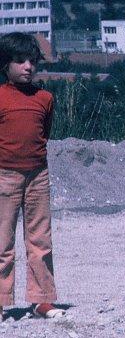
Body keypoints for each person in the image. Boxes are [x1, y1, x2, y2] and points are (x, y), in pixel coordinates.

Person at [0, 32, 62, 319]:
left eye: (32, 61)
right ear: (6, 65)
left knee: (40, 240)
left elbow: (44, 133)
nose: (28, 67)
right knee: (3, 242)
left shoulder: (45, 98)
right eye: (20, 61)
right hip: (5, 176)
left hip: (38, 175)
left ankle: (42, 300)